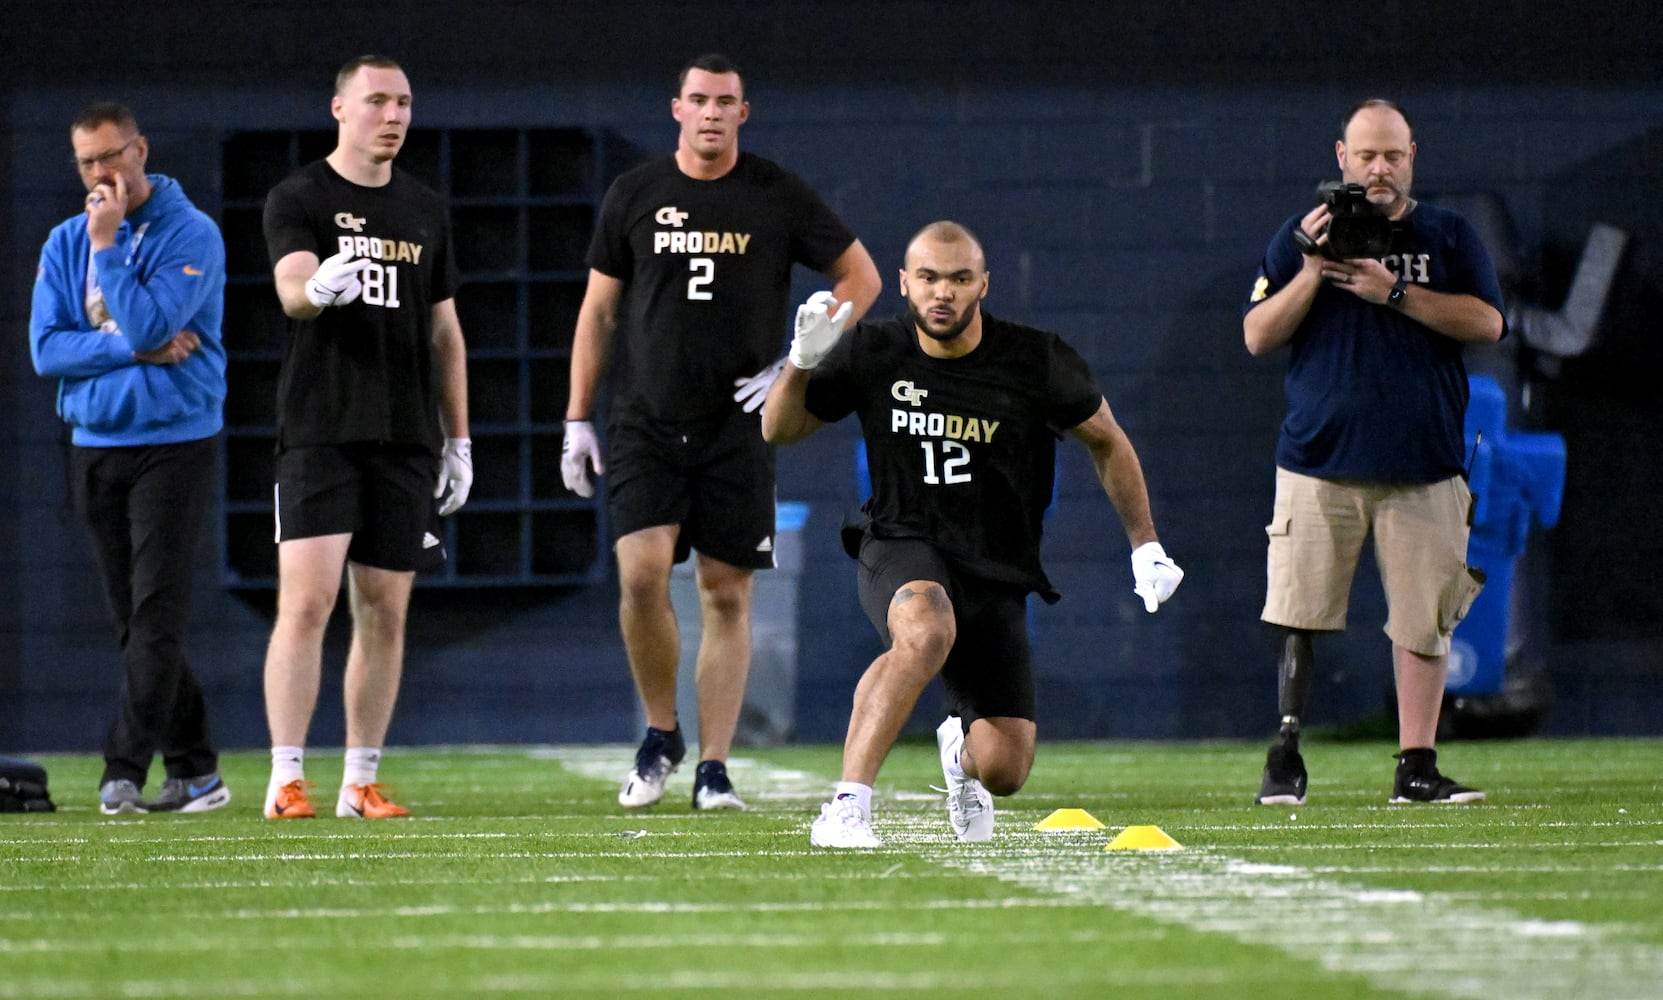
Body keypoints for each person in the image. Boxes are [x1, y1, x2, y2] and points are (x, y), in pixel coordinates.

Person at [762, 221, 1184, 848]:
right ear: (904, 283)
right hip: (902, 540)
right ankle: (847, 806)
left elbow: (1107, 440)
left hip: (994, 566)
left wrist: (1145, 543)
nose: (943, 293)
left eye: (959, 279)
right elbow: (778, 429)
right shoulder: (873, 350)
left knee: (1005, 768)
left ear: (983, 284)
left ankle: (958, 755)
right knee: (926, 628)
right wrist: (800, 363)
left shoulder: (1034, 358)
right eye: (928, 277)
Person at [561, 53, 881, 812]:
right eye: (698, 100)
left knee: (726, 592)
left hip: (736, 424)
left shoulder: (774, 193)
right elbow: (598, 311)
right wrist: (575, 416)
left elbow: (860, 280)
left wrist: (794, 367)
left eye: (724, 101)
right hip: (645, 418)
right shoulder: (636, 193)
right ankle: (659, 731)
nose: (710, 112)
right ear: (676, 109)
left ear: (745, 111)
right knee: (640, 576)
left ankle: (713, 766)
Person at [1242, 99, 1504, 806]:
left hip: (1422, 462)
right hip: (1318, 460)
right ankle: (1285, 755)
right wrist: (1310, 268)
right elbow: (1257, 336)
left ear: (1411, 154)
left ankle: (1415, 764)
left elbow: (1487, 321)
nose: (1379, 169)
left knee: (1424, 619)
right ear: (1341, 158)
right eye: (1366, 156)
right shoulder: (1301, 235)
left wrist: (1394, 292)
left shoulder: (1446, 233)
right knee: (1299, 609)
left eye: (1391, 155)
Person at [259, 55, 473, 820]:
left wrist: (460, 439)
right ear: (339, 108)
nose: (393, 115)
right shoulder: (300, 196)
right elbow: (292, 287)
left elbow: (445, 331)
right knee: (308, 604)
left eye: (404, 102)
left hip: (406, 435)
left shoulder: (423, 208)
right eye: (377, 100)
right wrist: (314, 292)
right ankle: (286, 778)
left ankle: (360, 781)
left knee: (384, 608)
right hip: (321, 431)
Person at [29, 103, 231, 817]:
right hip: (95, 446)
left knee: (156, 615)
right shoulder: (62, 243)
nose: (100, 174)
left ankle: (123, 769)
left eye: (111, 157)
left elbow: (152, 322)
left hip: (174, 444)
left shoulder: (192, 232)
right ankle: (199, 773)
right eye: (87, 162)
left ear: (140, 150)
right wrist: (128, 350)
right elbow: (46, 350)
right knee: (132, 619)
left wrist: (110, 246)